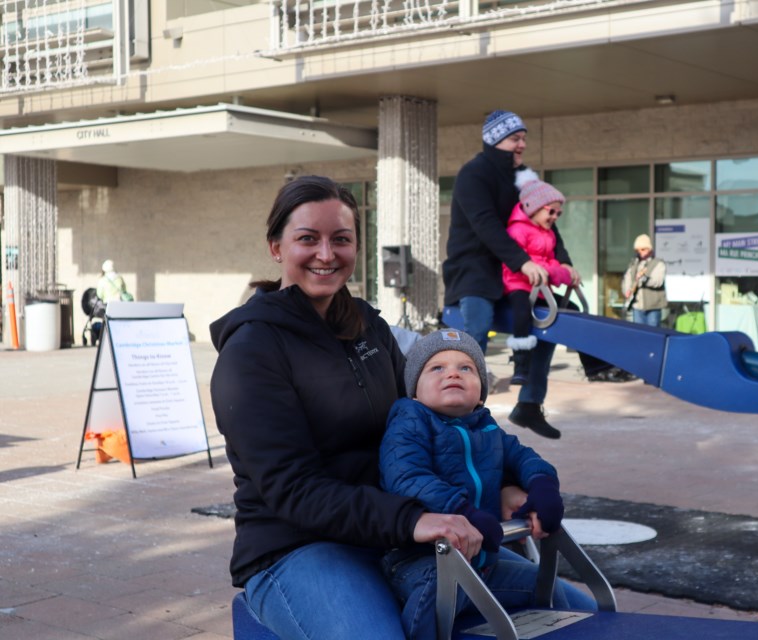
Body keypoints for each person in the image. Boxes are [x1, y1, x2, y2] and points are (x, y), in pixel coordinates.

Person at [208, 176, 484, 639]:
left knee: (562, 603)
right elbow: (293, 489)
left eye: (341, 239)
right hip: (296, 546)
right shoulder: (252, 350)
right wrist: (411, 519)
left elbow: (426, 421)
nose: (326, 253)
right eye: (307, 239)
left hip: (387, 534)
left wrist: (510, 482)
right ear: (276, 247)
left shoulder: (368, 328)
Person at [379, 329, 595, 640]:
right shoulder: (410, 421)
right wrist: (461, 510)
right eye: (436, 368)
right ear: (414, 390)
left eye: (465, 368)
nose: (452, 372)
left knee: (544, 586)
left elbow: (523, 457)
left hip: (483, 566)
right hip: (421, 561)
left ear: (480, 392)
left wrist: (543, 485)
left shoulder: (487, 427)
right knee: (432, 598)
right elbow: (405, 477)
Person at [443, 110, 626, 441]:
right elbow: (485, 224)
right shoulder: (474, 175)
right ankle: (456, 411)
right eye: (516, 139)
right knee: (477, 327)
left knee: (553, 320)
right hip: (476, 268)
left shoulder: (523, 178)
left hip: (516, 270)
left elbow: (546, 223)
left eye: (524, 138)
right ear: (495, 141)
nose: (522, 144)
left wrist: (565, 262)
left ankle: (529, 404)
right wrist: (522, 261)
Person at [503, 171, 571, 385]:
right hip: (518, 285)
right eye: (551, 212)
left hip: (541, 288)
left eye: (558, 214)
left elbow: (550, 262)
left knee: (573, 309)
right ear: (533, 207)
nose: (554, 218)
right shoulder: (517, 230)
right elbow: (518, 262)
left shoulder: (548, 233)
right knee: (522, 313)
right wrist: (556, 272)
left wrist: (563, 271)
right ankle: (520, 365)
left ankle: (593, 363)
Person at [621, 234, 666, 326]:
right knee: (639, 335)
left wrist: (644, 279)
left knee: (653, 335)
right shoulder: (634, 263)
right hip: (637, 306)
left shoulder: (658, 263)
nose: (640, 252)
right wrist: (627, 291)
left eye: (643, 249)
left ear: (649, 249)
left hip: (653, 306)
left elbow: (658, 281)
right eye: (638, 250)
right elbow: (628, 278)